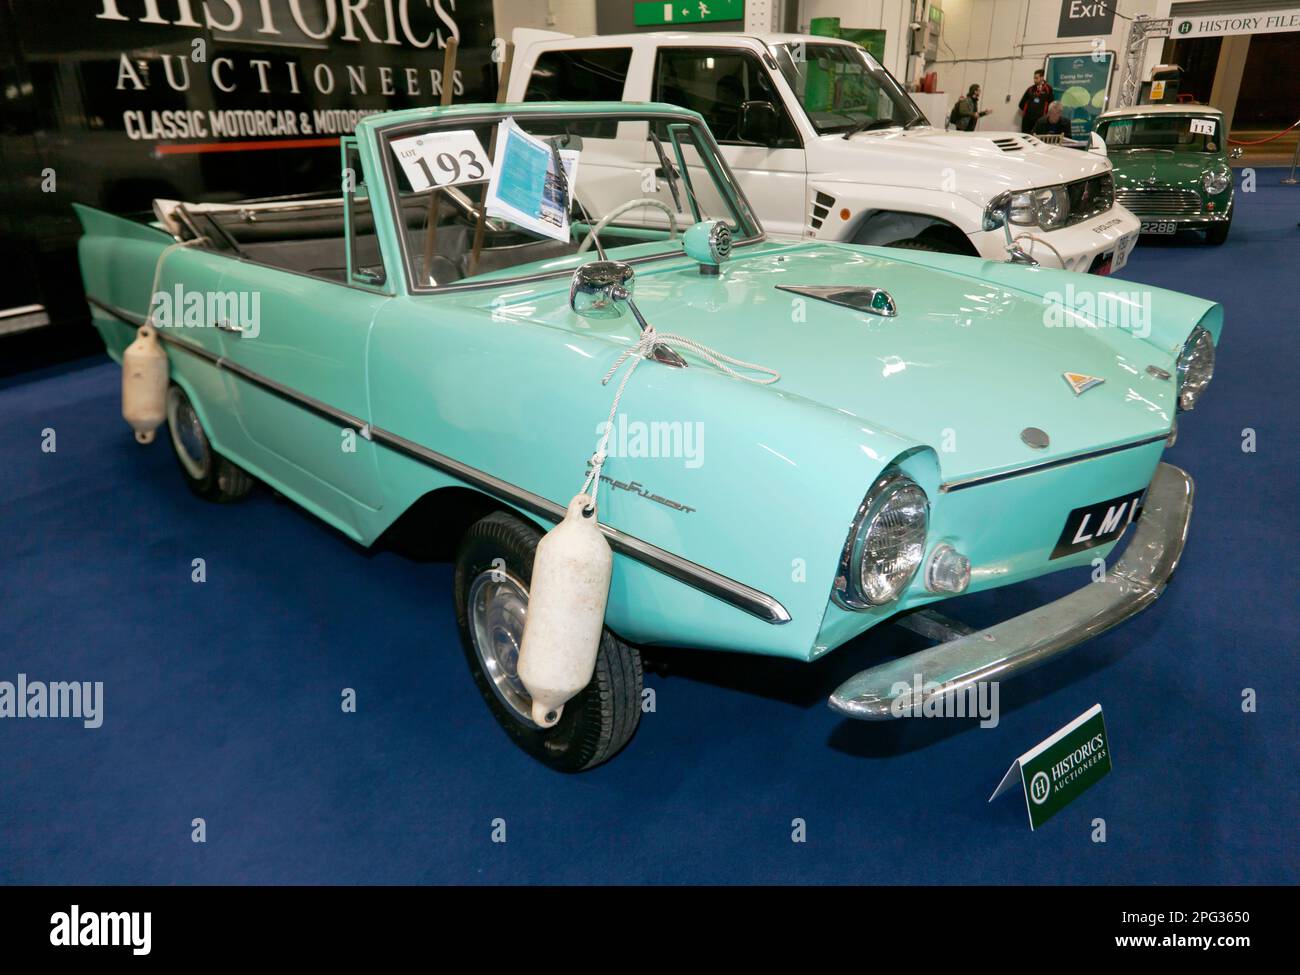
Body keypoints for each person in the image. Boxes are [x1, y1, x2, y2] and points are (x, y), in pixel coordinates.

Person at [1018, 69, 1053, 134]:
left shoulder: (1048, 89)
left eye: (1036, 78)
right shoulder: (1030, 89)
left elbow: (1051, 105)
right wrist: (1028, 113)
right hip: (1027, 121)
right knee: (1025, 138)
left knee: (1038, 140)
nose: (1034, 80)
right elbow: (1021, 104)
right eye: (1034, 78)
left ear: (1042, 78)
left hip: (1040, 121)